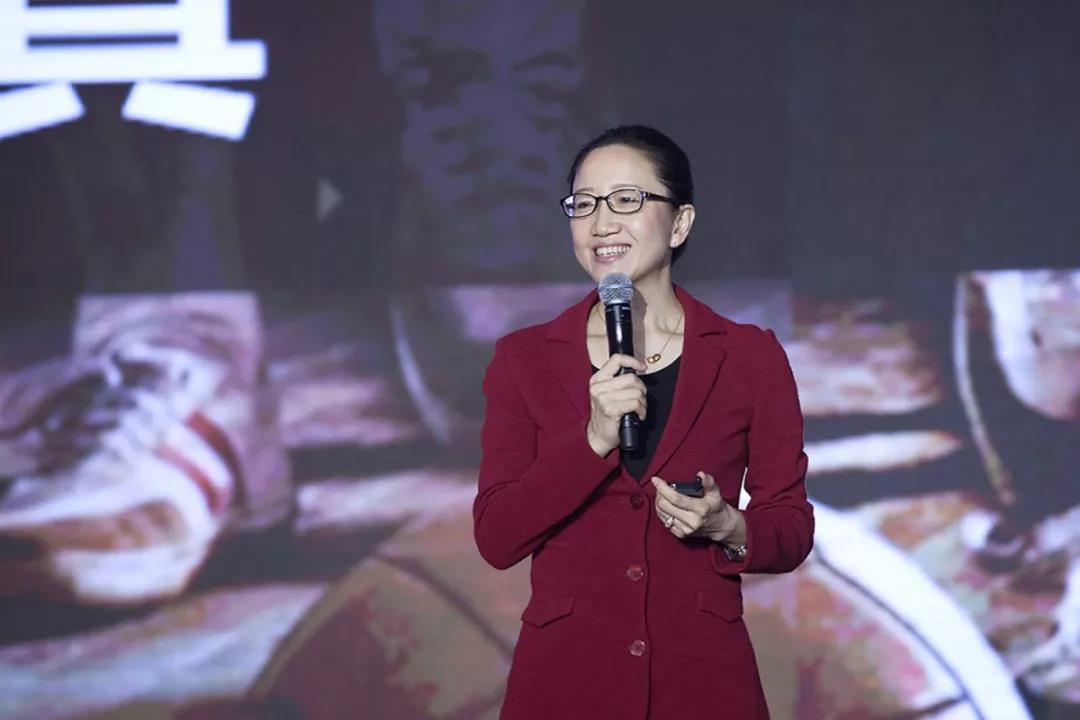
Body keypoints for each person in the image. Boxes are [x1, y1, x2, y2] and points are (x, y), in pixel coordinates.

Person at [473, 124, 814, 719]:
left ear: (680, 223)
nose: (602, 223)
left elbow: (790, 526)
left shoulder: (748, 356)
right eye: (584, 204)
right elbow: (497, 536)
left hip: (703, 682)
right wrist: (592, 441)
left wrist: (728, 525)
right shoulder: (524, 359)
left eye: (627, 200)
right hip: (565, 684)